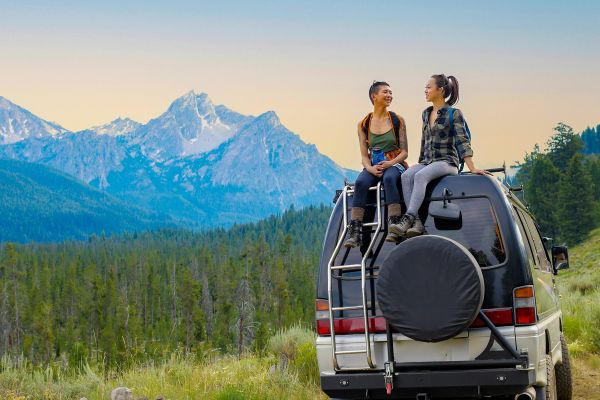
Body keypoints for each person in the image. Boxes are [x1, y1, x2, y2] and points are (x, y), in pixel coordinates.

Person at [392, 74, 491, 239]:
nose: (425, 90)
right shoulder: (426, 113)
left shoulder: (454, 113)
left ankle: (408, 217)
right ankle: (416, 223)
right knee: (407, 175)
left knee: (420, 176)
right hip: (428, 162)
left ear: (441, 90)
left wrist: (472, 167)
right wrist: (419, 162)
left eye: (429, 87)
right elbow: (425, 141)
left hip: (447, 163)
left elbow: (462, 141)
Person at [344, 81, 409, 248]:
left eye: (390, 92)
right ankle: (355, 230)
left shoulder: (397, 120)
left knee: (389, 179)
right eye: (385, 92)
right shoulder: (363, 124)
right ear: (374, 96)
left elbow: (404, 152)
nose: (390, 95)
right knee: (360, 182)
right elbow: (364, 156)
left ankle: (394, 224)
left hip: (394, 163)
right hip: (373, 165)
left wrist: (390, 163)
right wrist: (370, 168)